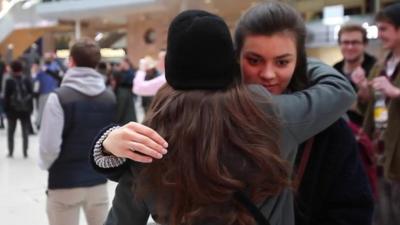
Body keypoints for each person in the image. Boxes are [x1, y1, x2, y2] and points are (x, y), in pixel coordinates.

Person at [90, 4, 356, 225]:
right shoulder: (270, 112)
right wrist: (296, 57)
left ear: (169, 67)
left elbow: (122, 217)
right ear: (233, 62)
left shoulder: (153, 132)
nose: (268, 73)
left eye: (281, 61)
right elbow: (340, 90)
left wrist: (105, 144)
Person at [39, 38, 116, 225]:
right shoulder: (109, 97)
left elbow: (49, 147)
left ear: (71, 61)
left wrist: (46, 165)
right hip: (98, 182)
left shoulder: (59, 97)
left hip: (64, 181)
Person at [352, 3, 400, 225]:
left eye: (384, 29)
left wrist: (395, 92)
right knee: (381, 216)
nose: (379, 35)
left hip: (397, 156)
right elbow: (369, 110)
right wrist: (363, 90)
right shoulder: (381, 65)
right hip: (378, 154)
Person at [333, 24, 377, 125]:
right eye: (345, 42)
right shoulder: (334, 70)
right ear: (340, 44)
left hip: (367, 131)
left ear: (365, 44)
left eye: (355, 42)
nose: (350, 47)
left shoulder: (376, 69)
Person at [4, 60, 33, 158]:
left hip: (12, 111)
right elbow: (31, 94)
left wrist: (6, 110)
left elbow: (6, 97)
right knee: (25, 132)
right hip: (25, 111)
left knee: (11, 132)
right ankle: (25, 152)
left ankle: (10, 152)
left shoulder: (9, 81)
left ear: (12, 69)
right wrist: (30, 109)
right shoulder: (26, 79)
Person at [113, 57, 137, 124]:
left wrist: (127, 69)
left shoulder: (130, 71)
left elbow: (132, 80)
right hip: (122, 92)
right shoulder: (120, 71)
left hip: (127, 92)